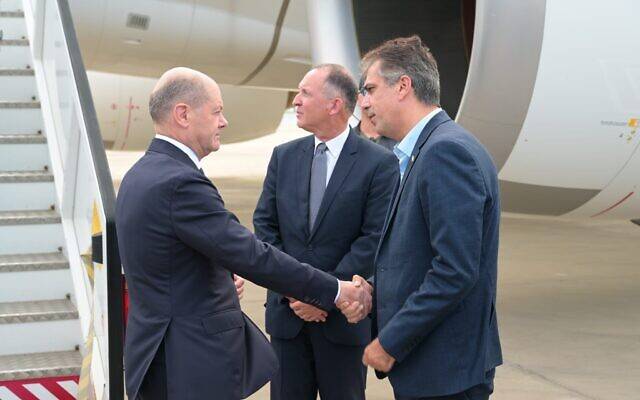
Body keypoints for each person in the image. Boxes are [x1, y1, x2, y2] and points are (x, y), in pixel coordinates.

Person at [115, 67, 371, 400]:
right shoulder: (180, 183)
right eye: (217, 111)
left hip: (159, 355)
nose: (223, 121)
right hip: (187, 363)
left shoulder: (141, 174)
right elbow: (252, 255)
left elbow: (171, 260)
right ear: (183, 115)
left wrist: (219, 276)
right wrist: (336, 290)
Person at [345, 36, 503, 400]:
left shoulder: (445, 152)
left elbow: (455, 271)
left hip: (446, 372)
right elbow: (418, 254)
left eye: (369, 89)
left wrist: (391, 341)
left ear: (403, 86)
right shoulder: (425, 149)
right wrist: (373, 288)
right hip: (434, 368)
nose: (364, 102)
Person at [253, 64, 398, 400]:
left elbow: (373, 240)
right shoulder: (284, 157)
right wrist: (296, 292)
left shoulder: (378, 163)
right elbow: (265, 229)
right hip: (288, 318)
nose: (296, 101)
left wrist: (324, 295)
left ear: (335, 105)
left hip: (342, 323)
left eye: (305, 93)